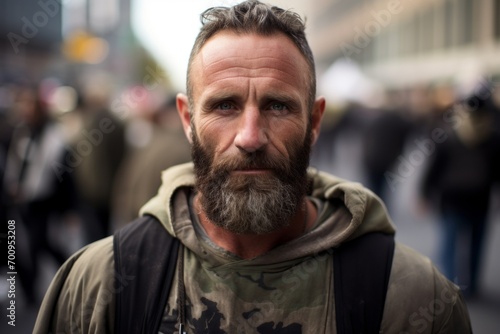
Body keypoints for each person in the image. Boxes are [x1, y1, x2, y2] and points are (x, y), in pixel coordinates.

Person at [34, 1, 471, 333]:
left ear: (314, 122)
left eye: (278, 105)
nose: (250, 136)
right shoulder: (95, 285)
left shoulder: (412, 297)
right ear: (188, 120)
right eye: (224, 105)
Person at [420, 83, 500, 298]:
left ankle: (450, 284)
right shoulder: (493, 137)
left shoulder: (449, 133)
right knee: (476, 245)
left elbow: (434, 167)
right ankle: (471, 284)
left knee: (449, 243)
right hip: (480, 198)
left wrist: (424, 193)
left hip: (452, 197)